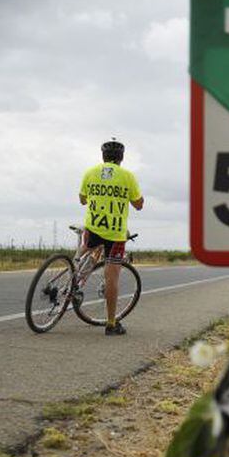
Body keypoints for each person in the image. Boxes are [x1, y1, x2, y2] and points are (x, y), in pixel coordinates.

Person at [79, 138, 144, 336]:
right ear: (121, 158)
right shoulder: (128, 176)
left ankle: (72, 281)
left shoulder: (90, 173)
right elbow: (139, 204)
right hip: (115, 234)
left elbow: (82, 199)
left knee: (82, 254)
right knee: (112, 277)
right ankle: (111, 323)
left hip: (92, 228)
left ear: (103, 156)